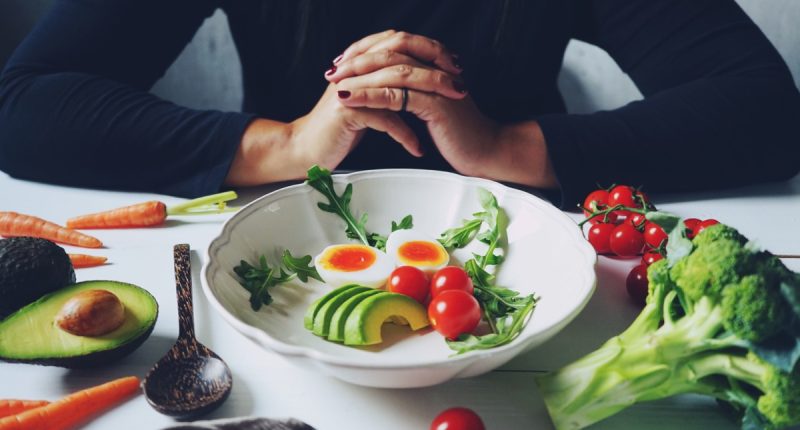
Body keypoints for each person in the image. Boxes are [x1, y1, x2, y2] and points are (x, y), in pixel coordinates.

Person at [0, 0, 798, 208]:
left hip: (525, 221)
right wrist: (288, 146)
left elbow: (768, 112)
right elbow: (23, 105)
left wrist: (503, 148)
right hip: (281, 222)